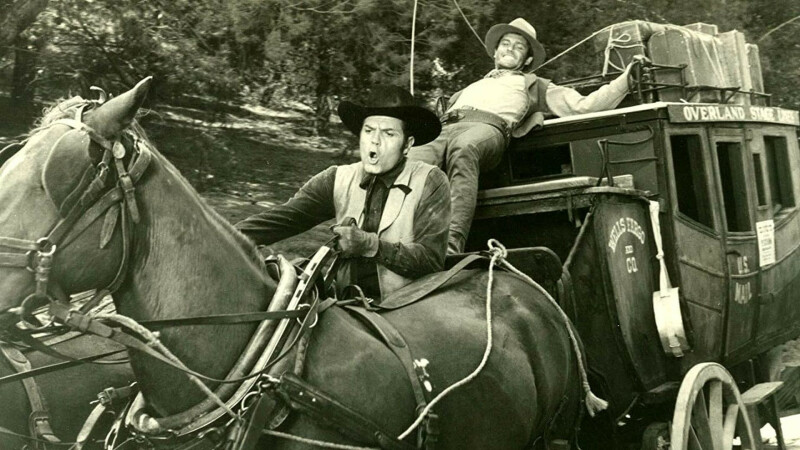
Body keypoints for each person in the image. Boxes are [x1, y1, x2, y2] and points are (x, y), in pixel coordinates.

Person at [409, 17, 642, 254]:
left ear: (527, 60)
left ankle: (450, 246)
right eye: (505, 44)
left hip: (485, 129)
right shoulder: (469, 89)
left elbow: (584, 106)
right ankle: (396, 242)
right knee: (406, 160)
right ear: (495, 52)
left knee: (464, 149)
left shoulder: (534, 85)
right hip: (445, 127)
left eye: (519, 46)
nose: (510, 48)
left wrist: (625, 80)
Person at [236, 86, 450, 301]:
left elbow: (431, 261)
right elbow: (282, 220)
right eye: (369, 131)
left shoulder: (429, 181)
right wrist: (224, 236)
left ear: (407, 145)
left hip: (408, 307)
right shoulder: (338, 178)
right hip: (347, 306)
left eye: (389, 133)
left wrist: (371, 245)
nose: (375, 141)